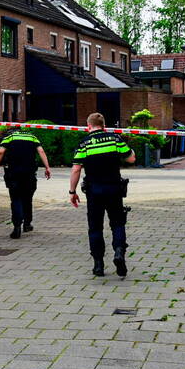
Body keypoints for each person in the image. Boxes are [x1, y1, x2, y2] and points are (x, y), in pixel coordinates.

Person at [69, 112, 136, 277]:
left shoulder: (84, 143)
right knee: (117, 223)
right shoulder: (114, 139)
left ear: (88, 126)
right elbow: (131, 159)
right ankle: (119, 252)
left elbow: (76, 169)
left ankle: (98, 265)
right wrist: (130, 149)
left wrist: (72, 191)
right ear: (104, 126)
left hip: (94, 191)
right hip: (114, 189)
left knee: (95, 227)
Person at [0, 127, 52, 238]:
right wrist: (47, 167)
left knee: (15, 199)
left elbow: (1, 152)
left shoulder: (9, 137)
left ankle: (17, 226)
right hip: (29, 173)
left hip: (13, 173)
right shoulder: (32, 137)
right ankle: (27, 224)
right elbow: (41, 151)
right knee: (27, 198)